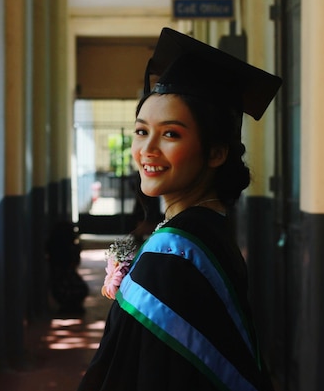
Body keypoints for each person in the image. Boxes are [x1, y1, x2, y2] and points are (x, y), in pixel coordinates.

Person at [78, 27, 282, 391]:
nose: (147, 150)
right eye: (142, 131)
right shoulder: (207, 230)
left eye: (171, 134)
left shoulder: (175, 254)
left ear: (216, 152)